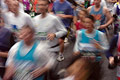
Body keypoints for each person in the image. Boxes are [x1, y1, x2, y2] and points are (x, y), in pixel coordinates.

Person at [73, 15, 108, 80]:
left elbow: (106, 48)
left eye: (89, 22)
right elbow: (76, 45)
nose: (87, 24)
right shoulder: (80, 33)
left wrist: (99, 47)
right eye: (85, 22)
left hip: (95, 63)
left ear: (93, 22)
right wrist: (76, 51)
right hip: (83, 62)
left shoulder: (100, 34)